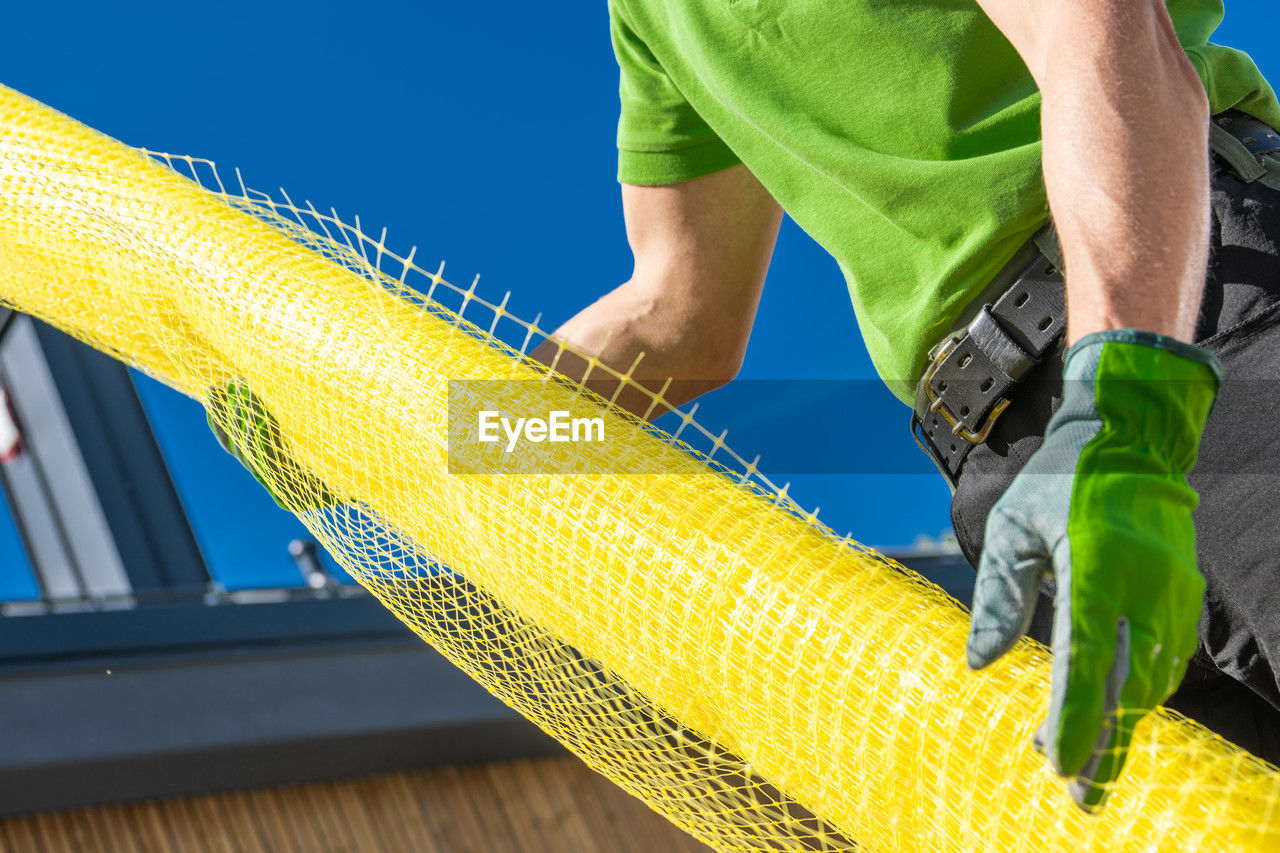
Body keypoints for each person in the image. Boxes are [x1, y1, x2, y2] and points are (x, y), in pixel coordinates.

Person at [209, 0, 1280, 813]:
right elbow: (675, 320)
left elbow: (1107, 36)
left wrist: (1123, 405)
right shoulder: (653, 19)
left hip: (1202, 317)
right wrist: (407, 443)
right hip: (1007, 456)